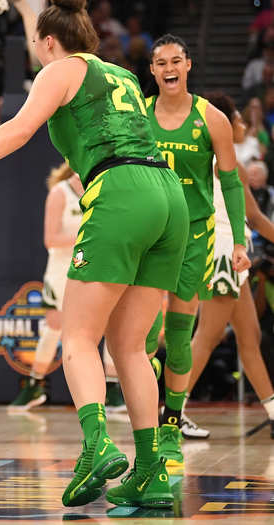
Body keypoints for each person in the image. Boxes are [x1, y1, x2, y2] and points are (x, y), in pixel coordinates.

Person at [0, 0, 189, 508]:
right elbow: (51, 42)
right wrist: (26, 10)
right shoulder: (119, 74)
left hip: (122, 189)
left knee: (78, 338)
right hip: (169, 195)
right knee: (130, 348)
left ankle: (96, 443)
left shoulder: (61, 69)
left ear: (47, 45)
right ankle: (150, 469)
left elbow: (18, 130)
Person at [142, 34, 250, 471]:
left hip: (193, 232)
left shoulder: (212, 118)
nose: (168, 68)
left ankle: (172, 420)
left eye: (175, 60)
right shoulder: (138, 115)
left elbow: (230, 181)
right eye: (160, 62)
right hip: (150, 231)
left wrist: (240, 242)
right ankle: (147, 420)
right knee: (145, 336)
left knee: (180, 329)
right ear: (152, 71)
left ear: (188, 65)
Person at [187, 92, 274, 438]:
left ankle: (271, 409)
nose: (240, 123)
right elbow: (252, 216)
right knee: (206, 338)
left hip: (225, 253)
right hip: (223, 252)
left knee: (249, 337)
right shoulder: (226, 162)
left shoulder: (204, 159)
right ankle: (168, 414)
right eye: (236, 117)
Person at [9, 162, 82, 410]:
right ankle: (34, 384)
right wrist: (88, 236)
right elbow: (51, 239)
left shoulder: (103, 189)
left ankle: (113, 389)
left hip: (94, 267)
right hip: (62, 270)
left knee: (105, 327)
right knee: (54, 327)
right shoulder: (60, 192)